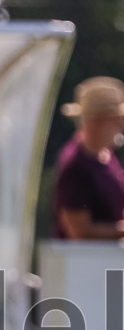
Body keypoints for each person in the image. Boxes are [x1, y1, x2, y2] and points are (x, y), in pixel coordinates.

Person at [53, 76, 124, 240]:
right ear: (96, 123)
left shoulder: (106, 156)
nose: (121, 125)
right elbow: (79, 232)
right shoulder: (75, 166)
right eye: (116, 119)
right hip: (85, 257)